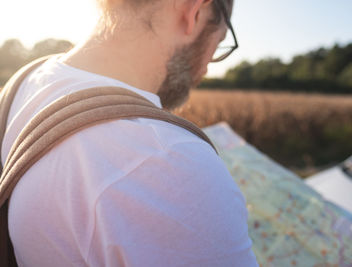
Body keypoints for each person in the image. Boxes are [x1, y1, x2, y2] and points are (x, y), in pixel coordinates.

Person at [2, 0, 258, 266]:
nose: (205, 70)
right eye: (219, 44)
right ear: (194, 12)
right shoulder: (170, 161)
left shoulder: (26, 78)